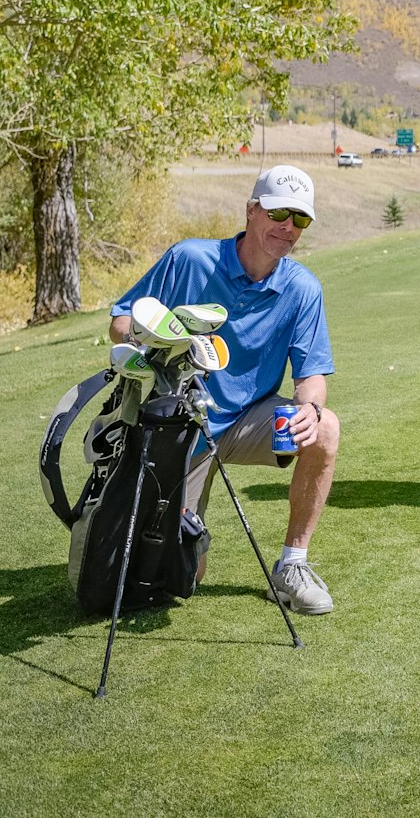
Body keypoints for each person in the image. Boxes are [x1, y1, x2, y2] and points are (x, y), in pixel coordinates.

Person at [107, 163, 341, 613]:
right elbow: (120, 322)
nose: (288, 228)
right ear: (252, 211)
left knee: (325, 428)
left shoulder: (303, 289)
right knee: (178, 582)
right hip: (180, 428)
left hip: (248, 421)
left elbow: (311, 374)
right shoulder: (190, 259)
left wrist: (310, 408)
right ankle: (190, 532)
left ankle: (292, 565)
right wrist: (153, 337)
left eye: (301, 220)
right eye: (278, 214)